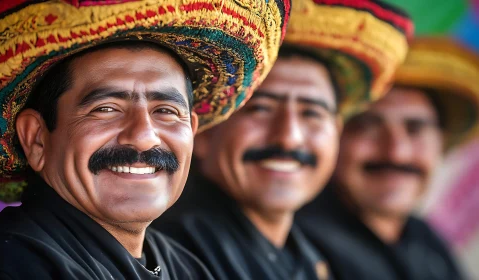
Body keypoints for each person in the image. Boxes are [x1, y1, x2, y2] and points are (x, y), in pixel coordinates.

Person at [0, 0, 290, 279]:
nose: (143, 138)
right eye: (106, 109)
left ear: (192, 132)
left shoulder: (183, 265)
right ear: (37, 139)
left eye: (166, 111)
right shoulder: (13, 263)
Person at [152, 0, 413, 279]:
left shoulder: (310, 257)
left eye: (311, 113)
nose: (289, 138)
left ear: (337, 132)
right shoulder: (174, 254)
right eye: (261, 109)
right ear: (203, 131)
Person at [297, 37, 479, 280]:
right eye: (368, 127)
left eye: (415, 128)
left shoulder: (426, 240)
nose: (396, 152)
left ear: (440, 143)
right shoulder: (296, 243)